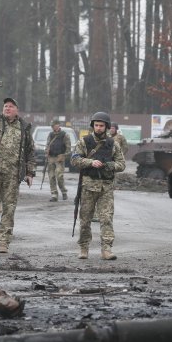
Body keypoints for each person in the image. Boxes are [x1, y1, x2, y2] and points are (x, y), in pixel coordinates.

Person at [0, 79, 36, 253]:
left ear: (16, 110)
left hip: (12, 175)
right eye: (5, 106)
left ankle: (4, 243)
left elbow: (30, 152)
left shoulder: (24, 128)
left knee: (9, 210)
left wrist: (30, 173)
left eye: (10, 106)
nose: (7, 108)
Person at [71, 111, 125, 260]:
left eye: (101, 125)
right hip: (88, 186)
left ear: (106, 127)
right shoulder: (84, 142)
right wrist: (90, 162)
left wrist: (109, 165)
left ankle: (106, 249)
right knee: (85, 219)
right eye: (96, 125)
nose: (99, 128)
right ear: (93, 126)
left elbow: (122, 164)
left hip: (106, 187)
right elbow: (74, 160)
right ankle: (83, 248)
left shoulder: (113, 144)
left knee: (106, 218)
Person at [45, 120, 70, 202]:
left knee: (59, 176)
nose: (54, 127)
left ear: (59, 125)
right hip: (51, 157)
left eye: (56, 125)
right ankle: (54, 194)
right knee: (51, 176)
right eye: (53, 126)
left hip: (60, 158)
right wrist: (46, 152)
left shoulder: (64, 135)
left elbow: (68, 147)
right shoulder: (51, 135)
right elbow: (47, 144)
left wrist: (64, 155)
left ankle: (63, 191)